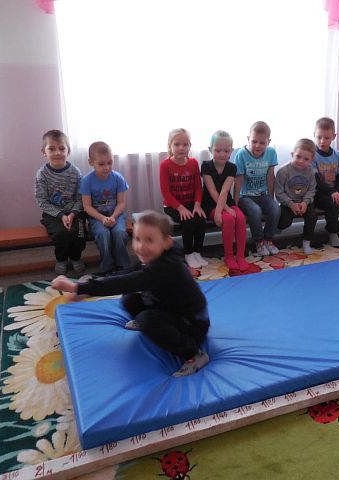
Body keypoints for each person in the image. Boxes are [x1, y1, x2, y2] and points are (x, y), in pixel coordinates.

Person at [52, 210, 210, 377]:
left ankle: (194, 354)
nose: (141, 246)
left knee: (146, 319)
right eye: (137, 239)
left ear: (166, 242)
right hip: (168, 305)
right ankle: (154, 324)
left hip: (192, 324)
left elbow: (125, 282)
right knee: (129, 298)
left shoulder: (166, 267)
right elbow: (127, 275)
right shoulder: (156, 254)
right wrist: (86, 290)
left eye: (149, 240)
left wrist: (77, 288)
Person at [35, 129, 87, 275]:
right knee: (60, 234)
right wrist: (61, 215)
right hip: (53, 214)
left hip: (74, 211)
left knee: (78, 233)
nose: (57, 153)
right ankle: (61, 259)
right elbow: (42, 200)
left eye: (62, 148)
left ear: (68, 151)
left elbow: (81, 197)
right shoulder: (42, 174)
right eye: (52, 149)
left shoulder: (75, 172)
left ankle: (76, 257)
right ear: (43, 152)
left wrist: (72, 214)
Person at [160, 128, 208, 270]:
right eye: (177, 144)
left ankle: (197, 252)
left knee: (201, 219)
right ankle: (188, 253)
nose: (181, 148)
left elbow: (198, 187)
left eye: (185, 144)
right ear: (170, 146)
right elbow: (166, 192)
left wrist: (197, 205)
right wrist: (180, 208)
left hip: (191, 203)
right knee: (188, 220)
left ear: (190, 146)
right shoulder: (165, 165)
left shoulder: (193, 163)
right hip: (172, 206)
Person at [80, 141, 131, 273]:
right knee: (103, 234)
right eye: (101, 164)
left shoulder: (118, 178)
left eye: (110, 163)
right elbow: (87, 207)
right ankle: (107, 265)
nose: (107, 167)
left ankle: (123, 264)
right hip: (96, 217)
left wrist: (113, 217)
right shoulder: (87, 181)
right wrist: (102, 218)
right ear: (91, 162)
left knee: (119, 233)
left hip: (116, 214)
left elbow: (121, 203)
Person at [201, 130, 249, 271]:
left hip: (226, 200)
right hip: (211, 204)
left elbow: (224, 191)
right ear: (210, 149)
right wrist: (220, 211)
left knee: (240, 218)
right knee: (228, 219)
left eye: (226, 151)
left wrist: (227, 207)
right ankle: (229, 256)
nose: (222, 154)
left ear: (231, 151)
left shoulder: (232, 167)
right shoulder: (206, 166)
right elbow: (213, 191)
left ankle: (240, 256)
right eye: (218, 150)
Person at [233, 121, 281, 257]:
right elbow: (238, 180)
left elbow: (270, 177)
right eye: (254, 141)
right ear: (248, 139)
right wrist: (235, 205)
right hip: (245, 196)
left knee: (275, 208)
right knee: (255, 211)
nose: (258, 145)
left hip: (262, 195)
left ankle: (268, 239)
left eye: (262, 142)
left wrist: (271, 199)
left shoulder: (271, 153)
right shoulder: (242, 154)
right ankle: (259, 241)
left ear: (268, 142)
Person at [312, 117, 339, 247]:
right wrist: (333, 192)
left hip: (335, 190)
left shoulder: (338, 155)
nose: (322, 141)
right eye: (319, 137)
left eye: (326, 138)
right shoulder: (312, 155)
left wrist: (338, 192)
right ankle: (332, 232)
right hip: (319, 192)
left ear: (334, 137)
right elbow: (316, 181)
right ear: (314, 135)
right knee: (332, 202)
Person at [275, 138, 317, 255]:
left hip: (304, 202)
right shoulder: (283, 171)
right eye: (298, 156)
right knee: (285, 221)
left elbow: (312, 189)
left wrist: (305, 202)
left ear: (312, 160)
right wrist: (291, 204)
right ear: (292, 154)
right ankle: (275, 230)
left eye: (306, 159)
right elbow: (279, 192)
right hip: (287, 202)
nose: (301, 161)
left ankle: (306, 241)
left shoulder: (311, 172)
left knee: (312, 217)